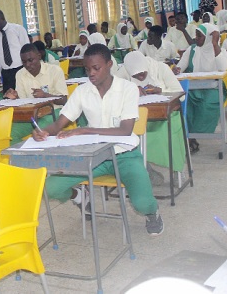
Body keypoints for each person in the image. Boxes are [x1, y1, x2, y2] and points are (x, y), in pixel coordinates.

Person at [33, 44, 163, 235]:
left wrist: (84, 131)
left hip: (125, 155)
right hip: (93, 157)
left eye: (96, 68)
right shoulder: (82, 91)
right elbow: (60, 123)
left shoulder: (128, 89)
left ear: (109, 64)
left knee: (142, 204)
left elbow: (125, 130)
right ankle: (79, 196)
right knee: (50, 187)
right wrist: (43, 131)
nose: (91, 73)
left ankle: (152, 212)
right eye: (87, 69)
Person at [122, 51, 186, 179]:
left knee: (163, 134)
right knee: (129, 134)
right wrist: (132, 90)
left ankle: (176, 170)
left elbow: (181, 95)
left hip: (166, 117)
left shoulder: (161, 68)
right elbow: (115, 91)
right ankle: (146, 169)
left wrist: (161, 91)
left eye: (142, 74)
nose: (140, 78)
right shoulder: (124, 72)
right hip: (140, 118)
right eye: (136, 76)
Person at [173, 23, 227, 153]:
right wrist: (177, 69)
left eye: (199, 36)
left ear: (209, 37)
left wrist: (215, 44)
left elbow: (223, 68)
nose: (196, 38)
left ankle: (193, 135)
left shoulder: (220, 51)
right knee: (183, 102)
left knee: (206, 104)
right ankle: (190, 137)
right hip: (194, 88)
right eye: (196, 35)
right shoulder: (192, 49)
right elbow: (180, 66)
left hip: (214, 88)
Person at [4, 43, 68, 143]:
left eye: (30, 60)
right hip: (31, 116)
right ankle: (23, 157)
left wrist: (45, 95)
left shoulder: (55, 70)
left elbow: (64, 100)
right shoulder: (20, 74)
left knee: (40, 132)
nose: (27, 65)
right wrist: (15, 98)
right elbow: (22, 103)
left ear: (39, 56)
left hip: (53, 112)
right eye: (24, 62)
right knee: (10, 134)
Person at [0, 9, 29, 92]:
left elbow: (27, 50)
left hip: (20, 69)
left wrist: (27, 68)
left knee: (22, 95)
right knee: (8, 98)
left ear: (3, 19)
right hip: (6, 73)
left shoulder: (18, 29)